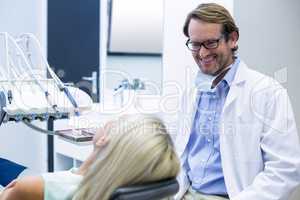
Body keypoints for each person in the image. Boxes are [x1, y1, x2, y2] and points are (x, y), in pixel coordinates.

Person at [175, 3, 300, 200]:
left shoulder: (268, 92)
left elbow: (285, 168)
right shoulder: (191, 93)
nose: (202, 53)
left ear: (232, 39)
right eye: (196, 44)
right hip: (185, 194)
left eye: (211, 43)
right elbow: (178, 152)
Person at [0, 115, 180, 200]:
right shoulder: (121, 189)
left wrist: (11, 192)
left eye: (118, 121)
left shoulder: (35, 187)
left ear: (103, 140)